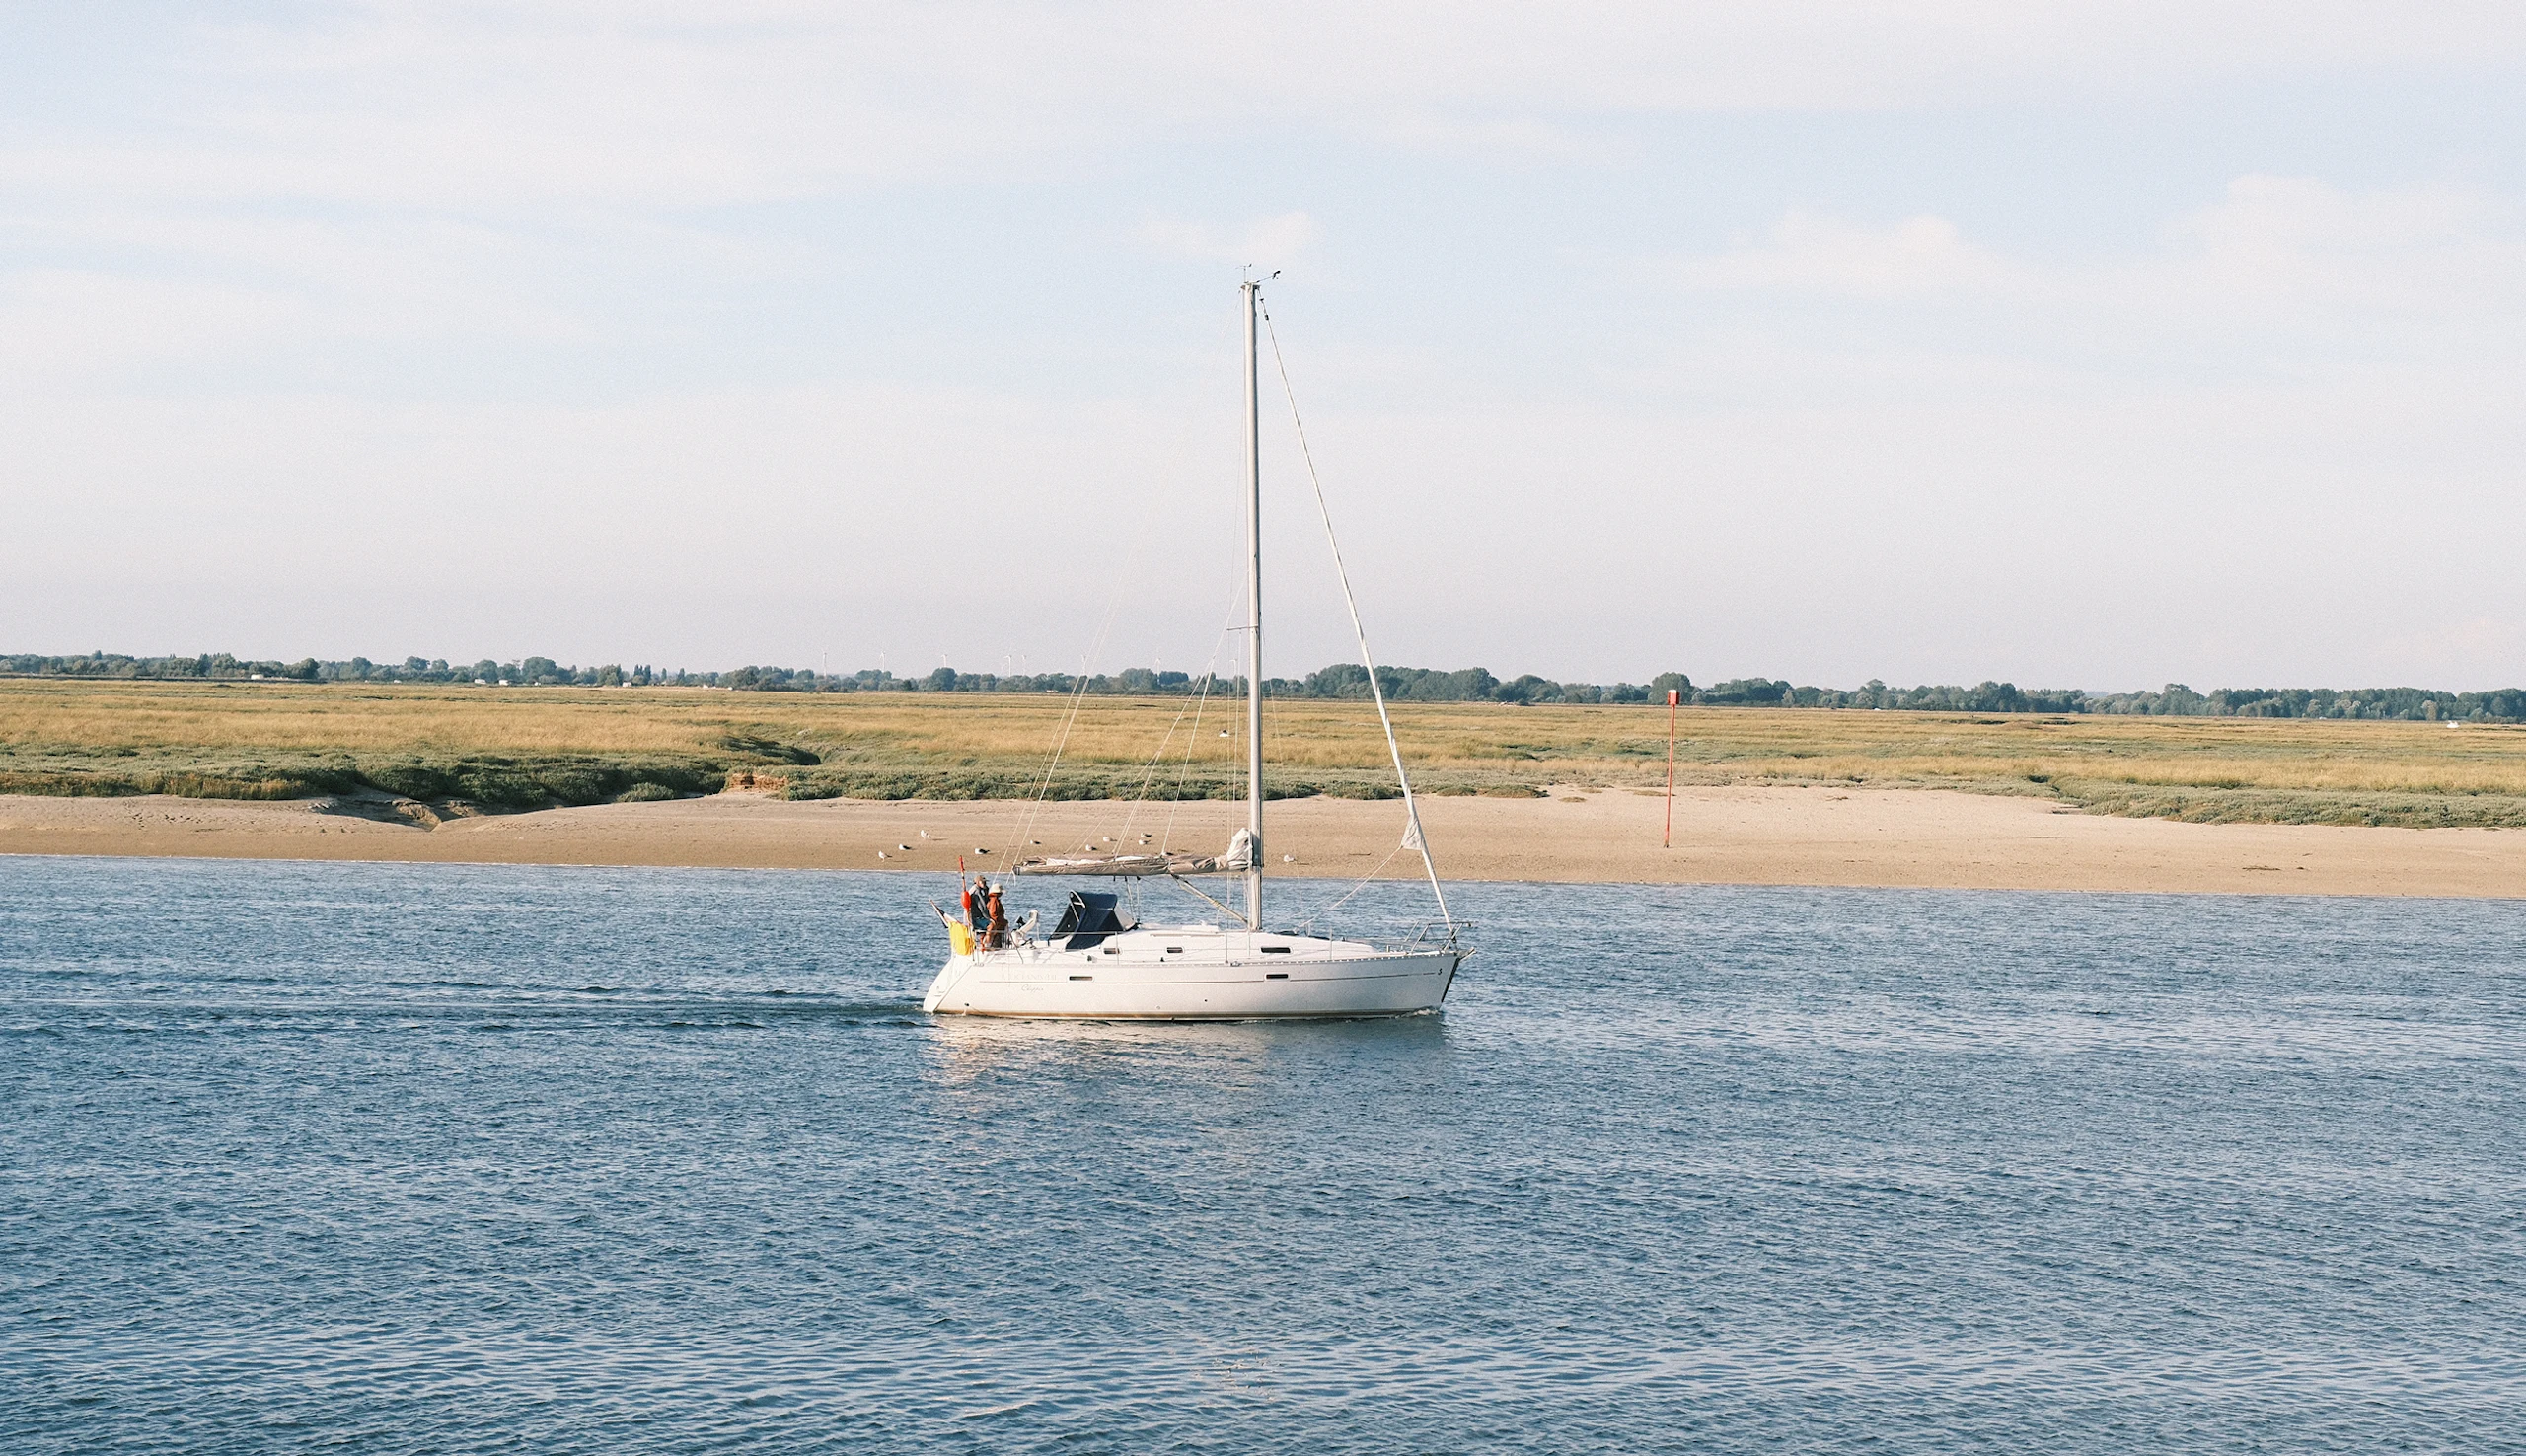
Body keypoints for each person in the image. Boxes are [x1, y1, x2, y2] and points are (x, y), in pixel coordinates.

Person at [984, 883, 1008, 950]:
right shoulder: (994, 900)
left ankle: (993, 949)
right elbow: (993, 913)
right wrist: (1002, 921)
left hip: (997, 925)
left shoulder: (992, 899)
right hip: (997, 926)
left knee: (997, 941)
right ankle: (994, 951)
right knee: (996, 942)